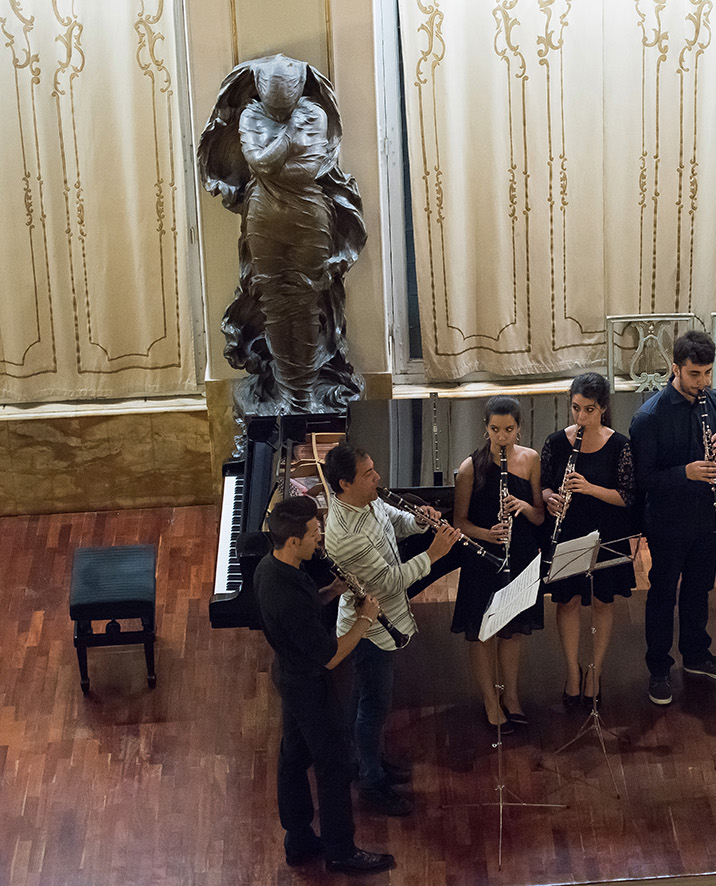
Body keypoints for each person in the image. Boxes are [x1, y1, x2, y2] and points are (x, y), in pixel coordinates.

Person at [198, 54, 366, 414]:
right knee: (273, 305)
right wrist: (290, 139)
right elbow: (257, 163)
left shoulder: (315, 114)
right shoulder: (251, 114)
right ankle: (288, 391)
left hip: (309, 216)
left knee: (305, 303)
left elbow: (306, 171)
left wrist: (272, 159)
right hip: (263, 218)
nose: (280, 110)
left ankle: (303, 393)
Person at [254, 495, 395, 874]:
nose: (320, 538)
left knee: (294, 757)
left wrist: (332, 591)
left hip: (287, 674)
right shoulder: (287, 594)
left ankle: (298, 839)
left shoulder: (272, 568)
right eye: (315, 533)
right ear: (294, 540)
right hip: (308, 686)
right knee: (335, 764)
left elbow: (305, 609)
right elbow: (331, 656)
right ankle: (340, 851)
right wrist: (365, 619)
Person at [322, 443, 459, 816]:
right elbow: (388, 583)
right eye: (368, 474)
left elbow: (392, 521)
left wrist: (417, 522)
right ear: (344, 484)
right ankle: (370, 780)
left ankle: (367, 760)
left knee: (364, 699)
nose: (377, 478)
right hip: (369, 630)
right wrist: (434, 553)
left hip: (384, 618)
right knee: (373, 706)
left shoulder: (365, 502)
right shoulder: (345, 534)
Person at [630, 330, 716, 706]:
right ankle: (658, 669)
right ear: (674, 368)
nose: (703, 382)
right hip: (667, 521)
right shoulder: (649, 417)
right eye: (695, 374)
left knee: (699, 589)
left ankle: (696, 655)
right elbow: (643, 480)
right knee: (663, 594)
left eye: (708, 372)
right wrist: (686, 472)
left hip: (707, 517)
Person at [541, 372, 637, 707]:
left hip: (605, 533)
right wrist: (550, 497)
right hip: (567, 533)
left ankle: (595, 671)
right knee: (566, 602)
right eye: (576, 408)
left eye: (589, 410)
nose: (581, 417)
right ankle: (572, 671)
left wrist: (588, 487)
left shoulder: (620, 445)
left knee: (602, 601)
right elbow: (543, 485)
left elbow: (627, 497)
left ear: (603, 408)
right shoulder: (555, 442)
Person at [451, 396, 545, 730]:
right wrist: (487, 535)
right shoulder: (469, 468)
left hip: (519, 555)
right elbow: (459, 522)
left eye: (508, 429)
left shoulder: (531, 460)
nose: (502, 437)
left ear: (519, 428)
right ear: (486, 428)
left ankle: (512, 696)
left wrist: (522, 505)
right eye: (495, 429)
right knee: (482, 632)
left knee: (512, 631)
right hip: (483, 558)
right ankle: (491, 702)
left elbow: (539, 516)